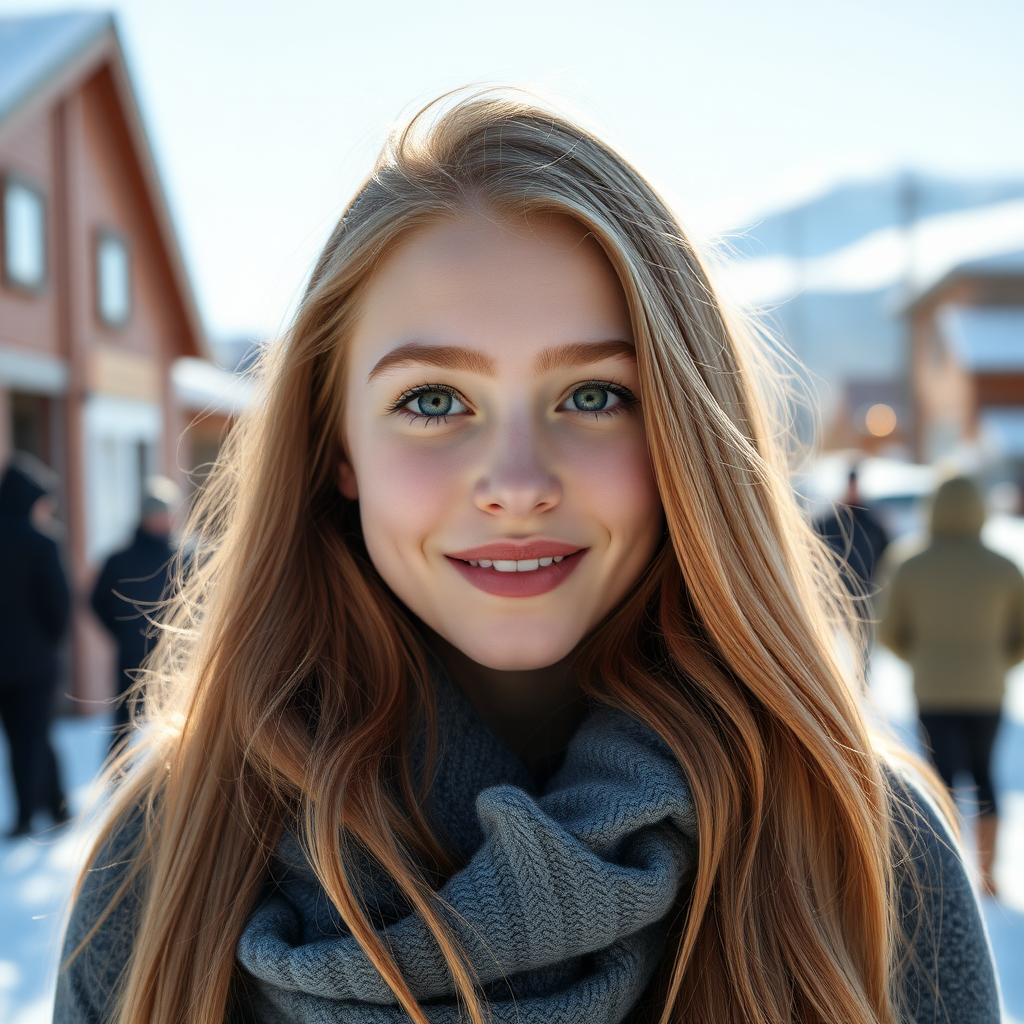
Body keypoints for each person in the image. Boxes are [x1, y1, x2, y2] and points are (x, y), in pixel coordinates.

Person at [55, 94, 999, 1024]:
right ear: (335, 445)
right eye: (432, 401)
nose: (515, 483)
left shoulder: (861, 843)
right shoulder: (171, 852)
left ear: (684, 430)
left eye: (593, 395)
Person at [880, 476, 1024, 899]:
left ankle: (946, 877)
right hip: (987, 691)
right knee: (984, 776)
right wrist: (997, 662)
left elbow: (887, 631)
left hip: (933, 690)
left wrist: (923, 659)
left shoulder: (909, 562)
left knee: (939, 781)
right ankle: (989, 874)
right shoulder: (1003, 566)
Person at [0, 452, 71, 838]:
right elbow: (58, 603)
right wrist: (51, 642)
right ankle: (55, 808)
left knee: (16, 738)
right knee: (39, 734)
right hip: (36, 660)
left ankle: (28, 813)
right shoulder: (42, 541)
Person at [90, 477, 182, 753]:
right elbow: (97, 602)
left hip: (176, 658)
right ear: (146, 516)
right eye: (160, 513)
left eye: (169, 513)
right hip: (133, 658)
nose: (166, 519)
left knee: (177, 728)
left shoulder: (185, 555)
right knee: (124, 726)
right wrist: (122, 632)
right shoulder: (119, 560)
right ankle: (116, 785)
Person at [814, 467, 890, 597]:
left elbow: (885, 557)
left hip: (866, 590)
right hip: (835, 591)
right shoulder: (829, 523)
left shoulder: (872, 525)